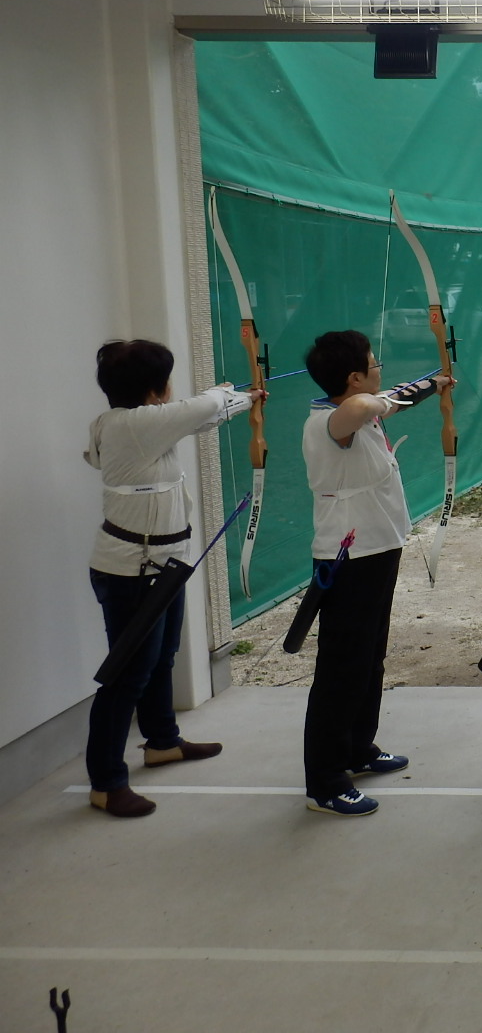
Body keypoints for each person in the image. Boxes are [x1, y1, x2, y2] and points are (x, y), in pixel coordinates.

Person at [83, 339, 264, 817]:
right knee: (126, 676)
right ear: (154, 389)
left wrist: (244, 399)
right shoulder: (133, 424)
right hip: (131, 571)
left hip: (159, 565)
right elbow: (200, 407)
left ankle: (162, 741)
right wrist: (228, 393)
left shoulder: (140, 425)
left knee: (161, 658)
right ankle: (106, 783)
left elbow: (199, 418)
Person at [300, 331, 453, 817]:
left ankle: (356, 749)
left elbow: (378, 404)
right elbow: (364, 407)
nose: (379, 367)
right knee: (341, 670)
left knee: (369, 661)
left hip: (378, 550)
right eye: (373, 363)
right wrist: (392, 396)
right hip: (349, 558)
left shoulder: (361, 411)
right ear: (354, 378)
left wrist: (432, 385)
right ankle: (325, 781)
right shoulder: (330, 421)